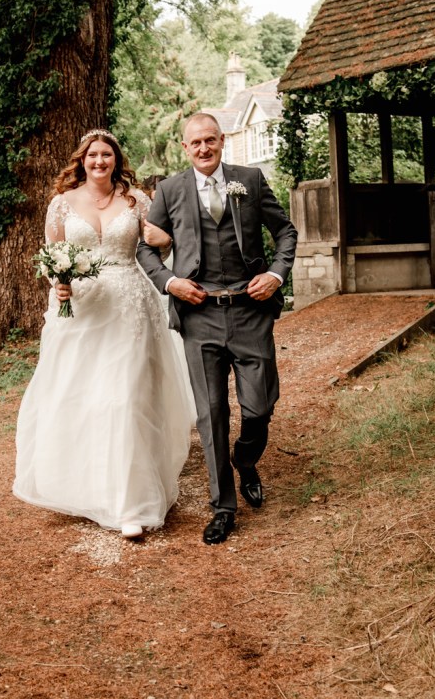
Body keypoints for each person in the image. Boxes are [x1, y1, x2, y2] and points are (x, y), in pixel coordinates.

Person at [13, 130, 195, 540]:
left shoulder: (137, 200)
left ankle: (129, 501)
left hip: (132, 304)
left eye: (106, 155)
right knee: (85, 396)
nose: (100, 161)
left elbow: (157, 247)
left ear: (116, 159)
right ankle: (85, 486)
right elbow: (50, 259)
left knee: (128, 397)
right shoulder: (62, 204)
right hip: (81, 309)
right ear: (82, 159)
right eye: (93, 155)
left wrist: (165, 239)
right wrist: (57, 284)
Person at [137, 113, 297, 545]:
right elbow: (145, 249)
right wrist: (171, 282)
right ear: (184, 147)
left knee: (259, 406)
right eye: (196, 143)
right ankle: (223, 507)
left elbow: (284, 232)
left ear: (222, 141)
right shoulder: (169, 191)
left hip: (250, 309)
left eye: (211, 140)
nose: (204, 148)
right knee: (210, 414)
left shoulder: (250, 179)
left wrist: (277, 275)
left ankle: (246, 460)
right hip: (199, 313)